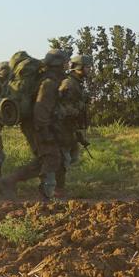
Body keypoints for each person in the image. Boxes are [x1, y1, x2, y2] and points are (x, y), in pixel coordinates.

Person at [0, 50, 69, 200]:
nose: (67, 65)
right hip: (36, 125)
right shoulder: (49, 83)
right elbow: (41, 109)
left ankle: (8, 182)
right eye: (65, 62)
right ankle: (39, 192)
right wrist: (44, 132)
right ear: (58, 64)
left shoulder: (49, 79)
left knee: (46, 158)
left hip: (36, 124)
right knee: (51, 157)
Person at [54, 54, 92, 197]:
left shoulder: (77, 83)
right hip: (63, 126)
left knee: (73, 157)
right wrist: (80, 106)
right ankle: (58, 189)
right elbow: (62, 107)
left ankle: (50, 179)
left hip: (71, 127)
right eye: (87, 67)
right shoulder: (69, 83)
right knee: (64, 159)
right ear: (78, 68)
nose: (89, 70)